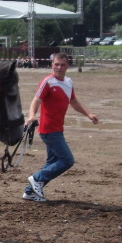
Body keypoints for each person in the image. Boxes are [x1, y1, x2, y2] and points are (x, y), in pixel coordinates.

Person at [22, 52, 99, 202]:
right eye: (56, 64)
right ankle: (37, 179)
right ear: (52, 65)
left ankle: (30, 192)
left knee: (52, 163)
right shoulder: (47, 82)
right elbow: (36, 100)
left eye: (62, 65)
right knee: (67, 160)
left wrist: (88, 114)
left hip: (58, 129)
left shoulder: (69, 82)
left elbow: (74, 101)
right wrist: (32, 116)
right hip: (48, 129)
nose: (59, 67)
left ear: (67, 66)